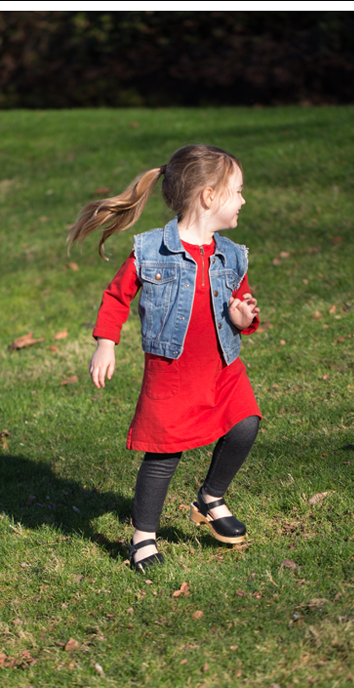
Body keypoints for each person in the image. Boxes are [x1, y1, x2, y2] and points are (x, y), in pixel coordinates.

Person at [67, 145, 262, 573]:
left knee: (246, 424)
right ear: (209, 197)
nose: (244, 200)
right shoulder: (151, 250)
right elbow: (117, 296)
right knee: (163, 456)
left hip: (222, 367)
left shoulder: (231, 254)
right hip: (172, 374)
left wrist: (243, 316)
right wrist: (106, 341)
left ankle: (210, 498)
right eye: (238, 191)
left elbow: (242, 304)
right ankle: (143, 539)